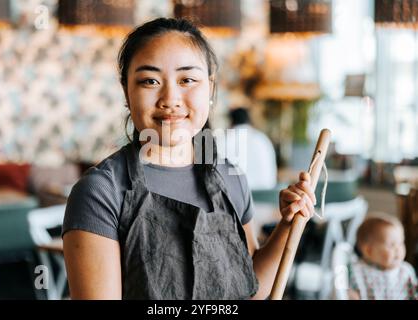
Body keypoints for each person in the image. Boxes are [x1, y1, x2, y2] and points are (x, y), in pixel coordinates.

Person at [62, 17, 316, 300]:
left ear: (209, 87)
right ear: (126, 91)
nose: (170, 98)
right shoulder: (100, 192)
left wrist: (288, 225)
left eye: (187, 80)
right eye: (150, 81)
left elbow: (250, 289)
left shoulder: (230, 176)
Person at [348, 213, 418, 300]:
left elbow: (414, 293)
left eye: (401, 243)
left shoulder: (405, 271)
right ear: (369, 251)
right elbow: (345, 289)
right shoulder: (357, 270)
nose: (398, 249)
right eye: (391, 245)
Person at [218, 107, 277, 190]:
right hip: (268, 198)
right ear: (249, 121)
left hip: (239, 199)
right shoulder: (263, 139)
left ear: (231, 122)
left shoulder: (225, 140)